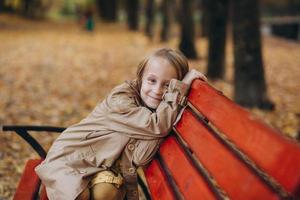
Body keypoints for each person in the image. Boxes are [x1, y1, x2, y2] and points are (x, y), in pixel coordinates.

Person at [35, 48, 207, 200]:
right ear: (140, 78)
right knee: (79, 195)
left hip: (98, 167)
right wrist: (181, 87)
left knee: (106, 193)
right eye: (151, 81)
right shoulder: (121, 101)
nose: (157, 90)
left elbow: (140, 157)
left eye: (167, 85)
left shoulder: (160, 112)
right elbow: (157, 127)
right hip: (69, 158)